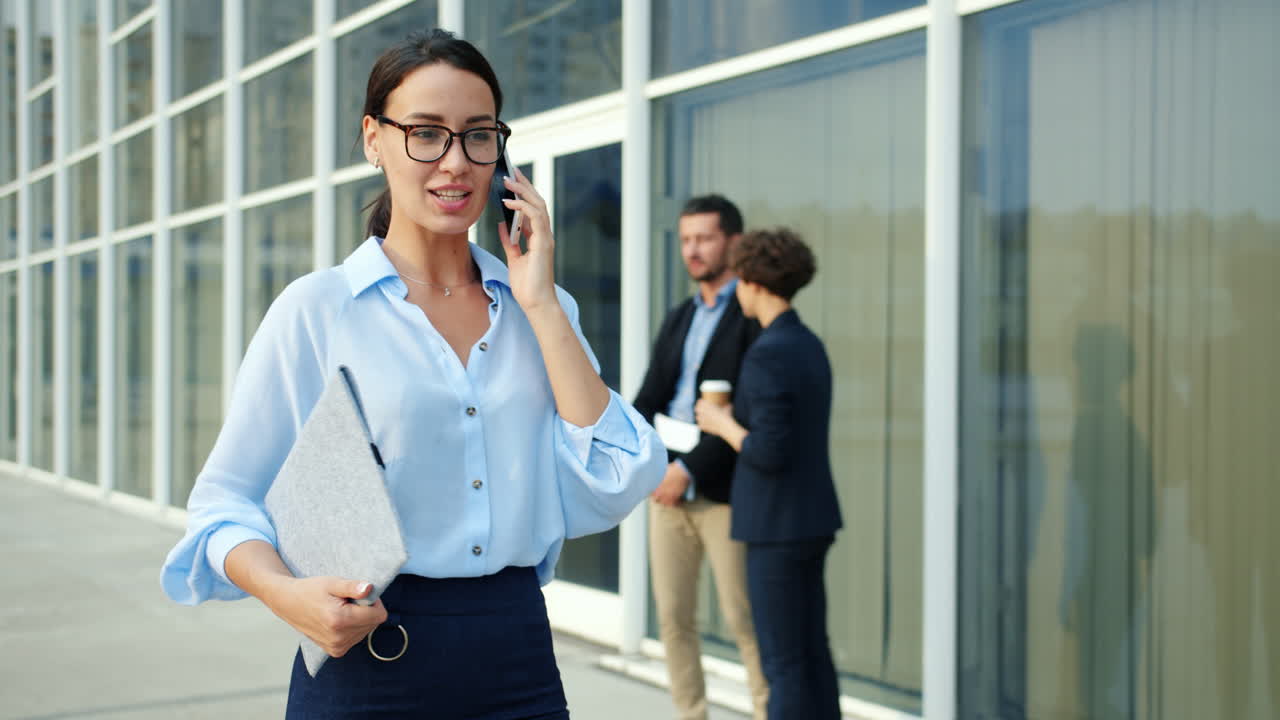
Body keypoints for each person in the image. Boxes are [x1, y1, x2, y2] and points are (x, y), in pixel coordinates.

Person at [159, 29, 665, 719]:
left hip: (518, 658)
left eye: (477, 135)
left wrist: (542, 302)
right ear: (374, 139)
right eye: (425, 133)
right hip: (368, 660)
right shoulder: (319, 310)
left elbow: (617, 474)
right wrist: (288, 595)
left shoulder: (538, 308)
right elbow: (222, 509)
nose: (455, 163)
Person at [694, 227, 843, 720]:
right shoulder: (807, 343)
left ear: (753, 281)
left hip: (776, 526)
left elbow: (768, 451)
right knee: (811, 652)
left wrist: (722, 424)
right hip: (811, 520)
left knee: (783, 662)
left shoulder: (767, 352)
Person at [631, 195, 768, 720]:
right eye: (686, 240)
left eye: (704, 238)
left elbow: (747, 411)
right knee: (673, 618)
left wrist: (685, 471)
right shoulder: (680, 316)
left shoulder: (751, 313)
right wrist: (652, 467)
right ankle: (692, 715)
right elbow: (649, 399)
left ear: (733, 241)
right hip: (666, 489)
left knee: (744, 619)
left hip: (723, 492)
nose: (692, 250)